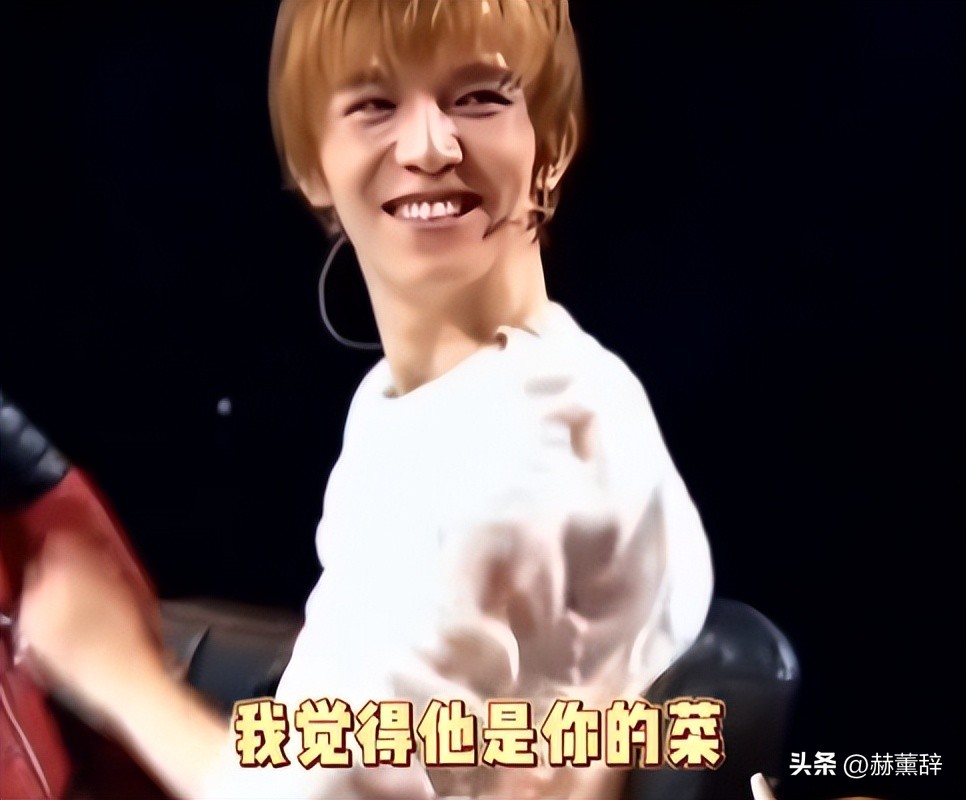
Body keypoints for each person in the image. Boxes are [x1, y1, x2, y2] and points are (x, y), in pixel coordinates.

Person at [16, 1, 713, 797]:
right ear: (314, 164)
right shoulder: (453, 396)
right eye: (376, 105)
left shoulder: (525, 453)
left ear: (550, 144)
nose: (428, 146)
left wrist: (116, 674)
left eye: (477, 97)